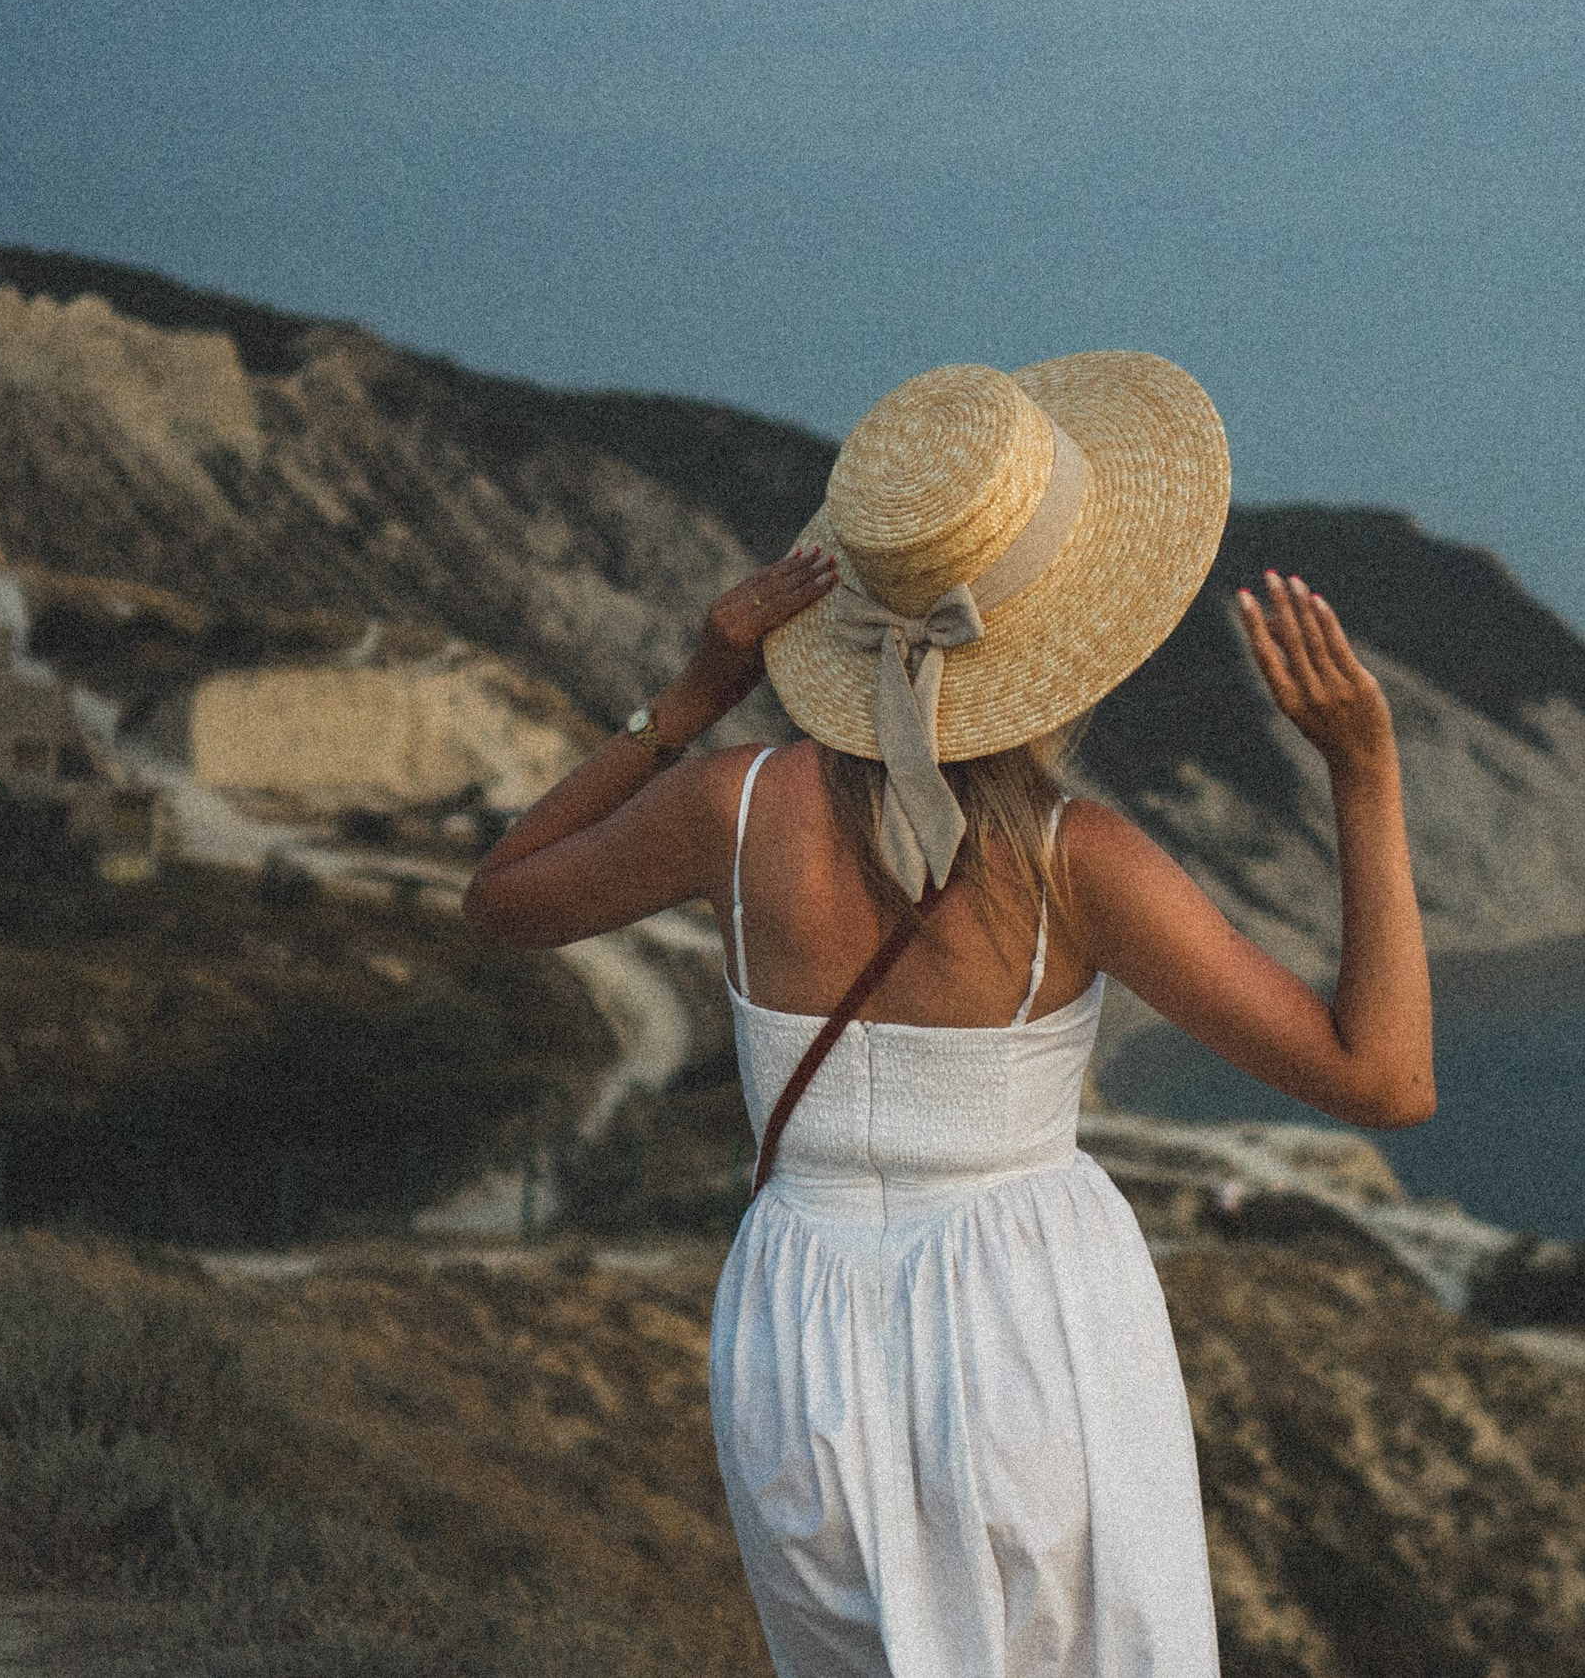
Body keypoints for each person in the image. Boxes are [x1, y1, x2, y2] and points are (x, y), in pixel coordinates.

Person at [462, 352, 1433, 1678]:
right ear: (1076, 632)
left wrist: (690, 698)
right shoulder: (1073, 862)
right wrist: (1365, 776)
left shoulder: (732, 806)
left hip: (792, 1333)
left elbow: (502, 897)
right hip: (1024, 1325)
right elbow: (1382, 1079)